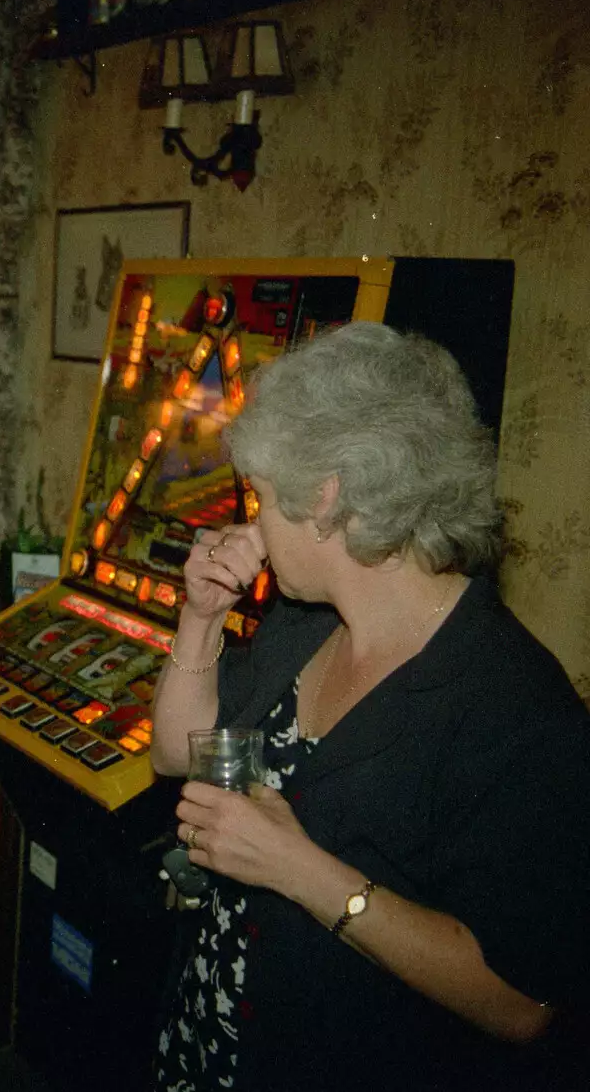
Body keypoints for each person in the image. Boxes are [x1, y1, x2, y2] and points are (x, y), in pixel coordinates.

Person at [149, 321, 590, 1092]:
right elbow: (176, 753)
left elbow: (525, 1004)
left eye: (261, 496)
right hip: (213, 1039)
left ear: (325, 499)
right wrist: (201, 615)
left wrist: (299, 868)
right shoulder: (306, 622)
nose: (252, 522)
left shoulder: (515, 708)